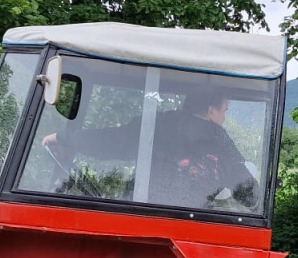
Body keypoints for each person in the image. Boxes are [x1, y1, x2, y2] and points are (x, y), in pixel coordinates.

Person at [40, 87, 258, 210]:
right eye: (225, 111)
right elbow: (247, 191)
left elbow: (109, 141)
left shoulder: (157, 124)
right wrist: (257, 197)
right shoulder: (217, 137)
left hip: (136, 212)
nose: (224, 118)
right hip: (188, 222)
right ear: (211, 111)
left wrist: (64, 137)